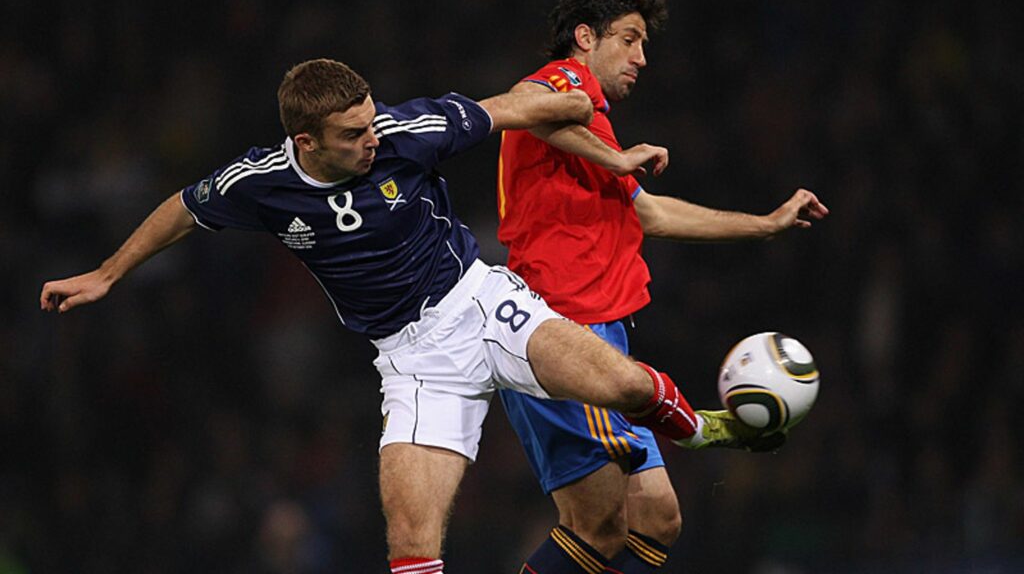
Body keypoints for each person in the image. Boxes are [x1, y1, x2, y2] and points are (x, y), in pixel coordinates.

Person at [38, 58, 756, 574]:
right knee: (412, 544)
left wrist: (608, 151)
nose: (372, 137)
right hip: (413, 360)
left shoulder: (409, 128)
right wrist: (107, 274)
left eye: (370, 119)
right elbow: (182, 209)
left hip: (481, 304)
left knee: (626, 386)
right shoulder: (261, 182)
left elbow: (512, 107)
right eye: (353, 133)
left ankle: (708, 429)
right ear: (306, 142)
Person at [496, 0, 830, 572]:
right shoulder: (564, 84)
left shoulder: (591, 128)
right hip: (566, 333)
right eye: (629, 39)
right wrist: (616, 159)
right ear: (586, 38)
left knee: (656, 518)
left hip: (603, 336)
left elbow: (649, 213)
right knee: (598, 527)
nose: (641, 57)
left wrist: (765, 224)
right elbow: (524, 104)